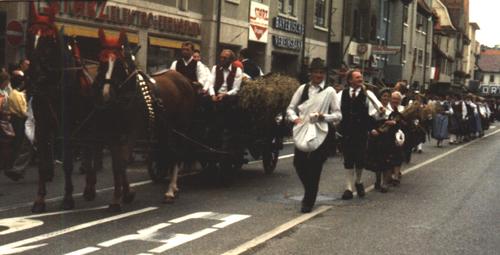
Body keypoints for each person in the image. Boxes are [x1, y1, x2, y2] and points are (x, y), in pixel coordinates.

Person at [287, 58, 342, 213]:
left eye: (321, 72)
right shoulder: (302, 89)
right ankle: (310, 190)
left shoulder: (329, 92)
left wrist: (323, 116)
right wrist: (295, 118)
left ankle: (308, 200)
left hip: (322, 131)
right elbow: (290, 108)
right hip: (303, 129)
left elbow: (338, 115)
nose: (319, 75)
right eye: (316, 72)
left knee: (315, 166)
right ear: (310, 73)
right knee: (299, 163)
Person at [337, 70, 384, 200]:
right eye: (357, 77)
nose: (360, 79)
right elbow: (335, 108)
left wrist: (381, 111)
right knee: (348, 159)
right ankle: (348, 188)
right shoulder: (342, 94)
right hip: (346, 131)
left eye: (361, 77)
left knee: (359, 159)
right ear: (350, 80)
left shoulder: (367, 93)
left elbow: (376, 109)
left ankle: (358, 181)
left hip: (361, 131)